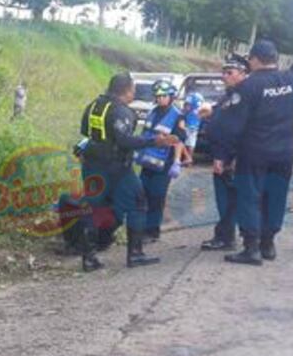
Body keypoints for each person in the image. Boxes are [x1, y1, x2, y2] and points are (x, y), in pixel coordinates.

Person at [215, 40, 293, 265]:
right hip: (284, 152)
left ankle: (251, 248)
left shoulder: (249, 86)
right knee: (276, 196)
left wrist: (224, 155)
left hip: (255, 152)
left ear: (254, 59)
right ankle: (268, 244)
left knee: (250, 197)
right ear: (275, 59)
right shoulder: (291, 80)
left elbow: (233, 126)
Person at [77, 73, 179, 272]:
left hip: (91, 166)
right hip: (116, 168)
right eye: (133, 90)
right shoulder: (121, 111)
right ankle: (135, 254)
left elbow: (86, 133)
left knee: (93, 208)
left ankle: (88, 258)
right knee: (139, 202)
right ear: (126, 90)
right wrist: (154, 141)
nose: (134, 94)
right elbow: (125, 141)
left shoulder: (94, 106)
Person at [199, 53, 250, 251]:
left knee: (231, 200)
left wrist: (231, 157)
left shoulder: (244, 96)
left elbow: (241, 130)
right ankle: (225, 235)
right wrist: (211, 112)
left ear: (243, 74)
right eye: (224, 72)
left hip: (232, 157)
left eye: (230, 72)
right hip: (222, 154)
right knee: (225, 200)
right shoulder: (230, 95)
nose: (225, 76)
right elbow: (223, 118)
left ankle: (228, 238)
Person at [136, 80, 189, 242]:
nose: (160, 99)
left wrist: (176, 162)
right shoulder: (152, 112)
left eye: (163, 96)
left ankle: (152, 231)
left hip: (163, 164)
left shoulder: (177, 116)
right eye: (157, 96)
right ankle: (141, 228)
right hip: (147, 162)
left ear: (171, 96)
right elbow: (145, 135)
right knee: (142, 195)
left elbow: (179, 140)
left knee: (156, 197)